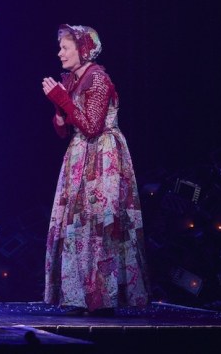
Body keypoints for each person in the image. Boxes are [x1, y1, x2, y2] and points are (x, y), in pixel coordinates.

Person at [41, 24, 148, 316]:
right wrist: (59, 109)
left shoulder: (98, 78)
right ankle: (79, 295)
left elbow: (92, 126)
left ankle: (102, 298)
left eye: (65, 47)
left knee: (100, 225)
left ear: (83, 49)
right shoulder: (74, 80)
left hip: (102, 157)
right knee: (77, 225)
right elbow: (64, 130)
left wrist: (62, 100)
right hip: (79, 156)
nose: (59, 53)